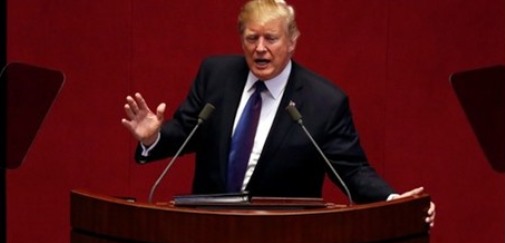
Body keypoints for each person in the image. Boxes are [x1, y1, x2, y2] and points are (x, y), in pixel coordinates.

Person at [121, 0, 435, 227]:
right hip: (207, 233)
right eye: (251, 38)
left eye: (271, 39)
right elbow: (189, 130)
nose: (260, 48)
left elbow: (351, 171)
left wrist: (394, 202)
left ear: (292, 42)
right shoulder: (215, 75)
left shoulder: (323, 102)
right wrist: (154, 137)